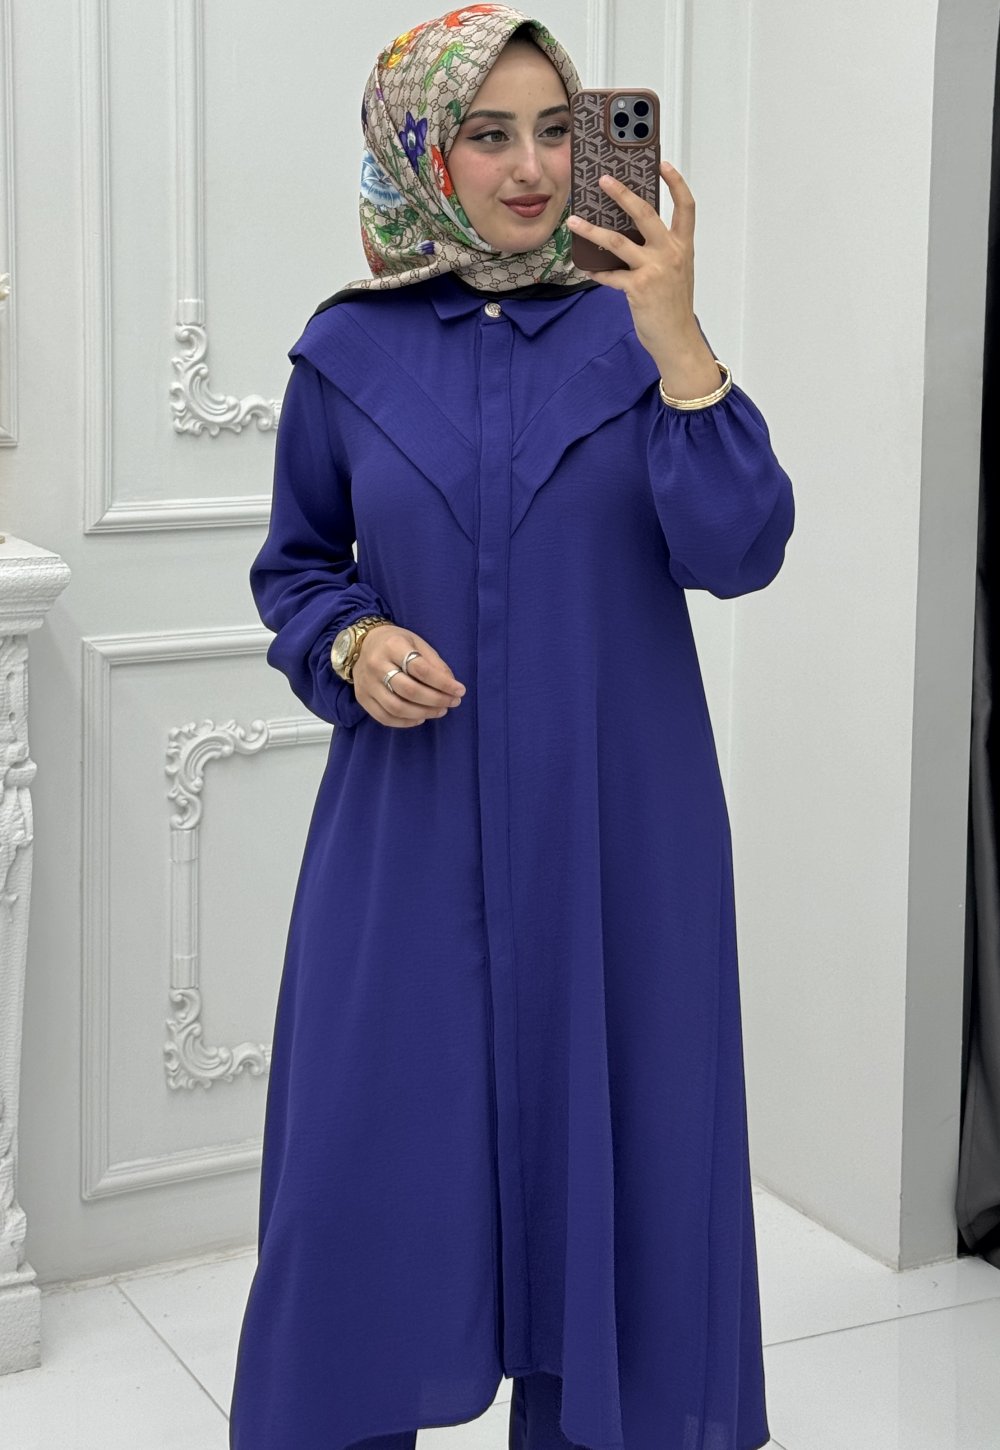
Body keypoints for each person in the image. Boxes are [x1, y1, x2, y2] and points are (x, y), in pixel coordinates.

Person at [228, 7, 794, 1450]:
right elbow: (298, 569)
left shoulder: (636, 335)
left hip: (620, 838)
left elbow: (739, 549)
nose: (533, 167)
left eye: (555, 129)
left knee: (623, 1178)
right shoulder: (345, 353)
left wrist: (679, 337)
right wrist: (352, 642)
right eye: (488, 134)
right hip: (406, 837)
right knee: (364, 1177)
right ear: (423, 152)